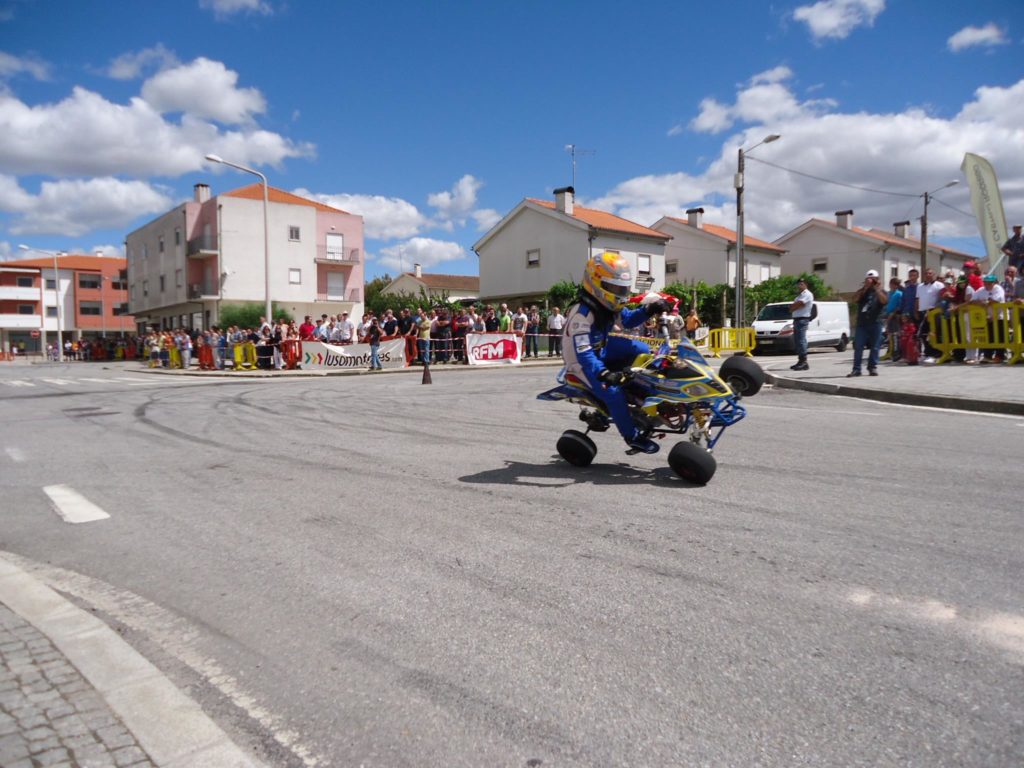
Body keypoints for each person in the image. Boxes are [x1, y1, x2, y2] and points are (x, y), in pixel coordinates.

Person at [562, 251, 673, 454]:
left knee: (642, 348)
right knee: (613, 393)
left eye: (622, 288)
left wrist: (650, 309)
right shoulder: (581, 313)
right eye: (614, 288)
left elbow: (628, 320)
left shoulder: (609, 304)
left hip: (601, 347)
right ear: (595, 283)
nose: (620, 292)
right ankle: (632, 437)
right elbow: (584, 354)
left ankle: (640, 387)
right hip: (580, 361)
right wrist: (604, 374)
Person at [848, 269, 888, 377]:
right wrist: (865, 288)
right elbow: (854, 300)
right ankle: (856, 369)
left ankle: (872, 367)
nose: (871, 281)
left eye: (873, 279)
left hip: (876, 323)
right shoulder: (862, 291)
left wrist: (876, 288)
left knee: (875, 346)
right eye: (868, 279)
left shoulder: (881, 291)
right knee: (858, 346)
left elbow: (884, 301)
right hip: (862, 324)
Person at [916, 268, 944, 363]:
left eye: (930, 273)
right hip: (922, 311)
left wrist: (935, 310)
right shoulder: (920, 286)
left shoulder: (939, 285)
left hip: (934, 312)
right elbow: (917, 299)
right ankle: (928, 353)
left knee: (935, 334)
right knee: (923, 334)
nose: (928, 275)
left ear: (934, 274)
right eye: (926, 273)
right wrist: (916, 310)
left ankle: (937, 353)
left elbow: (941, 299)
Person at [788, 278, 814, 370]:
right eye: (798, 284)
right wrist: (794, 306)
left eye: (802, 284)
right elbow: (796, 305)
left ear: (806, 284)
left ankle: (804, 362)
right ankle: (800, 361)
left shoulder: (807, 294)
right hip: (797, 319)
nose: (799, 286)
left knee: (801, 340)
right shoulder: (800, 295)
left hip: (802, 319)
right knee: (797, 341)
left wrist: (793, 307)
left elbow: (800, 304)